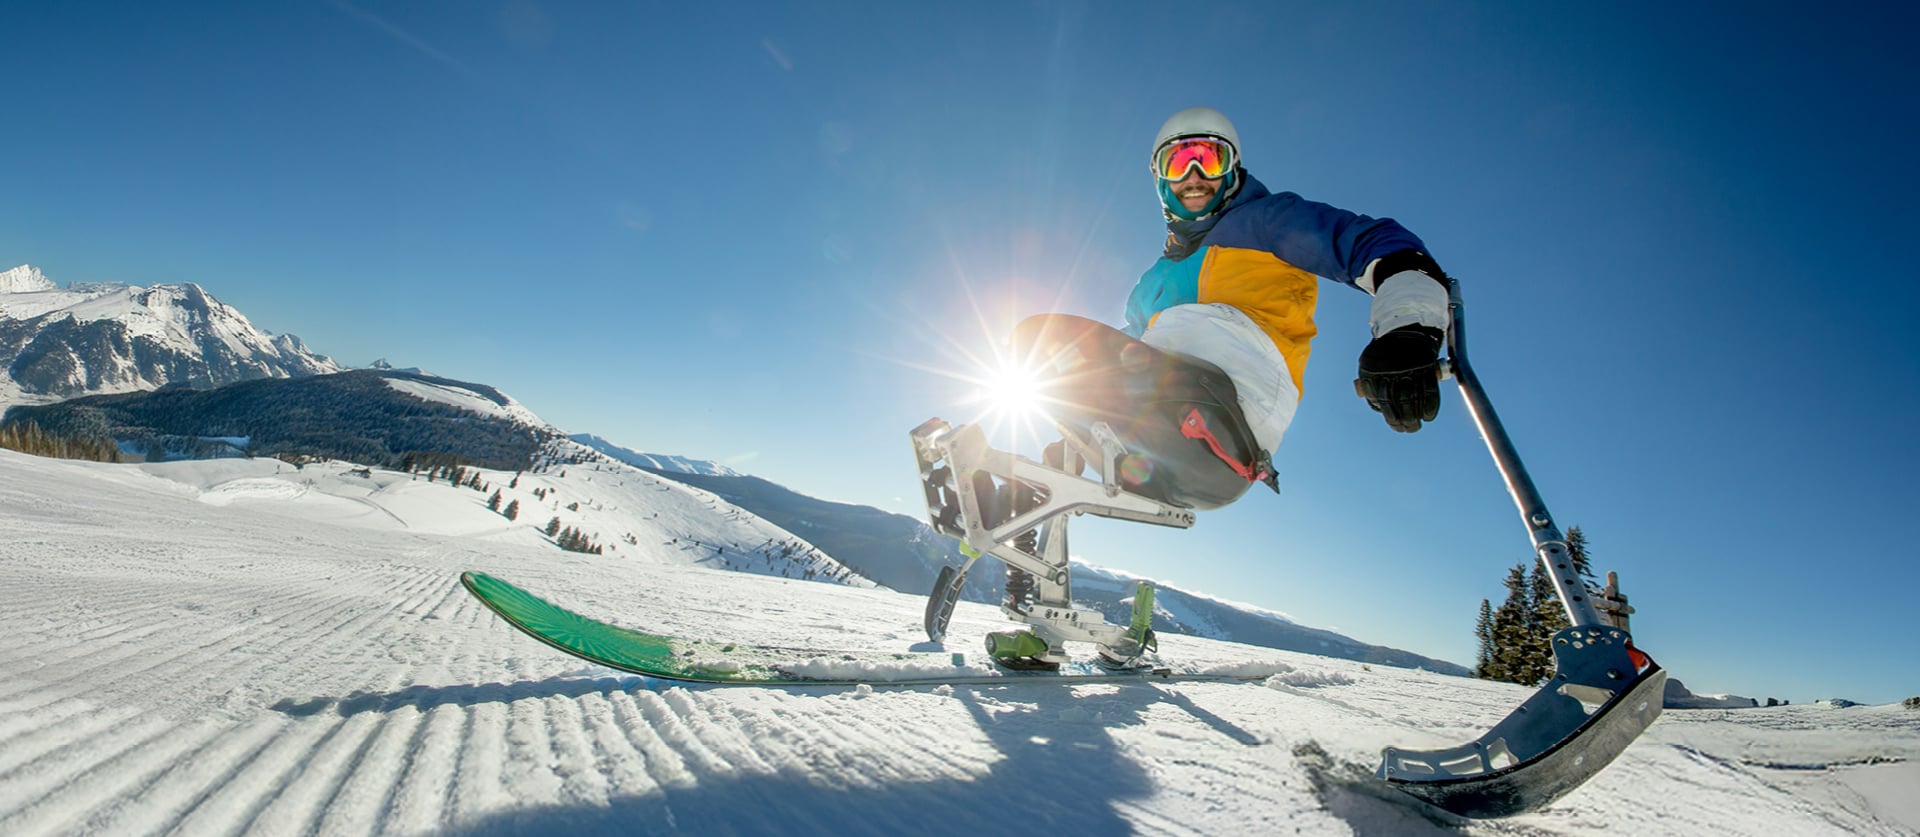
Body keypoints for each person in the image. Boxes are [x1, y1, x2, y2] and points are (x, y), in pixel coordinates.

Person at [1011, 106, 1451, 511]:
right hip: (1161, 414)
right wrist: (1075, 430)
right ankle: (1011, 500)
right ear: (1161, 180)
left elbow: (1374, 245)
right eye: (1178, 164)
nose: (1195, 176)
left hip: (1232, 407)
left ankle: (1142, 441)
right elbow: (1114, 357)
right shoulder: (1152, 283)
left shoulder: (1268, 221)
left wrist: (1408, 325)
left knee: (1040, 339)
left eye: (1209, 159)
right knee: (1039, 347)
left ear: (1232, 169)